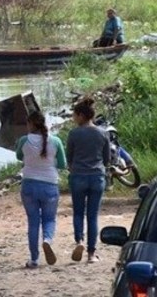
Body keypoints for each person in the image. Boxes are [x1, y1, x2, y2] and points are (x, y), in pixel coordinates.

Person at [15, 111, 67, 268]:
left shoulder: (24, 140)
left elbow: (18, 156)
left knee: (33, 222)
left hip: (29, 185)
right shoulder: (56, 141)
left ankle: (34, 259)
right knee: (49, 219)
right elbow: (63, 164)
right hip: (50, 184)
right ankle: (47, 240)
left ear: (31, 123)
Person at [66, 97, 111, 264]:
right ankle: (92, 254)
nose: (73, 118)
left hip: (78, 176)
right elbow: (106, 159)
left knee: (78, 212)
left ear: (81, 115)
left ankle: (79, 242)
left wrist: (74, 167)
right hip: (97, 176)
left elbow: (69, 157)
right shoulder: (103, 133)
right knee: (93, 216)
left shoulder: (74, 133)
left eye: (74, 115)